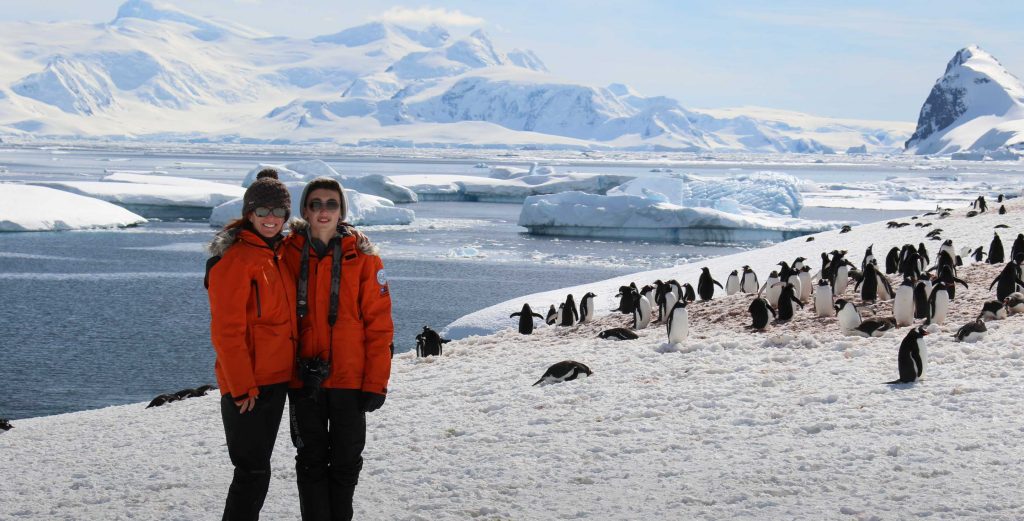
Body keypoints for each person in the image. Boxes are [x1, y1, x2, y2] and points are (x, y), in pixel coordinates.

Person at [282, 177, 394, 521]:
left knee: (346, 462)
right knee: (310, 462)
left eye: (331, 203)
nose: (323, 210)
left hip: (350, 380)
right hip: (304, 380)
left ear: (342, 209)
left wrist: (376, 383)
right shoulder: (286, 252)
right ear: (305, 210)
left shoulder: (362, 257)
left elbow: (379, 326)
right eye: (316, 204)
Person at [206, 169, 298, 521]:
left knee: (259, 470)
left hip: (278, 379)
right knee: (251, 471)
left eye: (278, 212)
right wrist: (242, 387)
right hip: (250, 387)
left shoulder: (279, 253)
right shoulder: (235, 261)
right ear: (249, 214)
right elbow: (227, 332)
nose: (271, 219)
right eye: (263, 211)